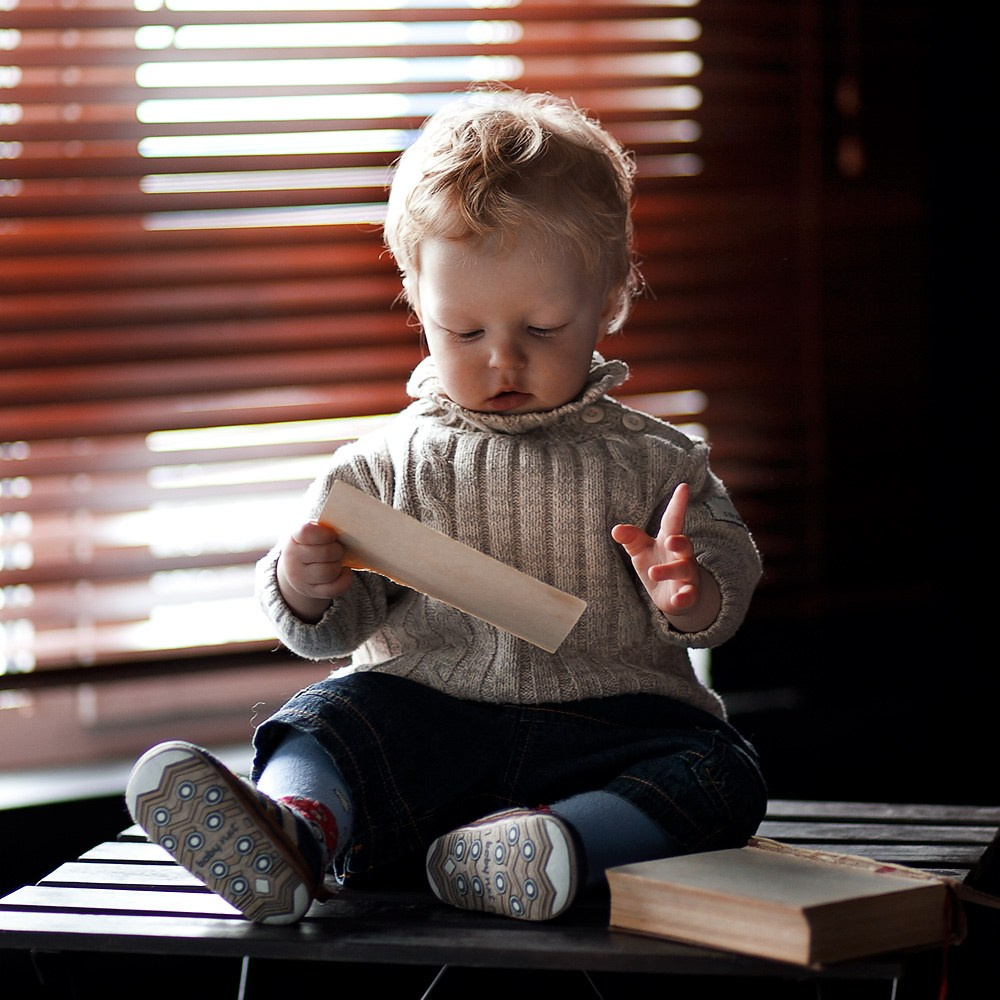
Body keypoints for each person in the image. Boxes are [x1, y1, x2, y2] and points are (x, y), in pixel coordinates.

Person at [125, 88, 767, 926]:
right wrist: (304, 583)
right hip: (429, 726)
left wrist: (696, 591)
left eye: (543, 327)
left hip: (613, 727)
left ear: (610, 297)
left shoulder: (658, 459)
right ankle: (295, 832)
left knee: (723, 773)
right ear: (416, 299)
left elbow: (725, 570)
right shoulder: (380, 465)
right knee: (326, 719)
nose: (504, 357)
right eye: (464, 331)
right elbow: (328, 632)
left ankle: (557, 845)